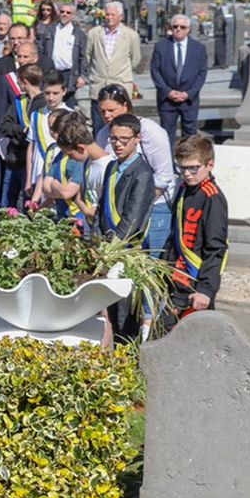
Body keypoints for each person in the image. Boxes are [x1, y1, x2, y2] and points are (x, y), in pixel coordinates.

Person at [95, 84, 174, 254]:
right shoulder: (103, 135)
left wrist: (138, 202)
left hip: (152, 207)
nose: (107, 116)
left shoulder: (150, 131)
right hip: (116, 205)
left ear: (126, 106)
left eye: (111, 110)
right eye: (102, 111)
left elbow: (163, 175)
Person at [161, 135, 229, 330]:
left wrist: (206, 290)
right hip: (177, 278)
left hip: (196, 283)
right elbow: (175, 235)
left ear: (210, 165)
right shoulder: (184, 190)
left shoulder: (212, 198)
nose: (187, 174)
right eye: (182, 168)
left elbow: (216, 248)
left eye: (193, 168)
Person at [98, 113, 155, 341]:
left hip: (127, 253)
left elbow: (132, 220)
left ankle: (129, 366)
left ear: (137, 138)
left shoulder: (142, 173)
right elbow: (101, 208)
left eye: (124, 139)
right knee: (109, 313)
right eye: (113, 139)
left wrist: (111, 249)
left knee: (125, 318)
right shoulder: (111, 167)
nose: (118, 144)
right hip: (107, 250)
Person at [149, 13, 208, 150]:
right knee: (166, 134)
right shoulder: (161, 46)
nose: (178, 29)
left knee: (190, 135)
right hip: (167, 99)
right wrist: (167, 91)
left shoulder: (198, 48)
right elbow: (155, 70)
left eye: (183, 27)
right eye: (175, 26)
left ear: (189, 29)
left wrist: (189, 93)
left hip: (189, 100)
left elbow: (202, 73)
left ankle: (188, 162)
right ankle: (168, 165)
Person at [85, 1, 141, 134]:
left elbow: (135, 59)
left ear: (120, 17)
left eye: (113, 15)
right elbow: (88, 57)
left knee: (122, 126)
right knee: (99, 128)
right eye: (107, 14)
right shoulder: (94, 33)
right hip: (99, 86)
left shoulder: (131, 35)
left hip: (120, 84)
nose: (109, 17)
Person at [54, 111, 112, 231]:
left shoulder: (108, 166)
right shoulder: (86, 162)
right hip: (89, 226)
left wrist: (95, 213)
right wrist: (86, 210)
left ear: (81, 148)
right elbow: (79, 196)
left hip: (103, 228)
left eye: (70, 155)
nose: (70, 159)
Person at [0, 64, 45, 208]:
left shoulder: (43, 104)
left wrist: (22, 133)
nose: (18, 84)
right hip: (13, 159)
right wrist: (22, 131)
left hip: (30, 162)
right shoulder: (19, 101)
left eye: (18, 81)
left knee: (28, 205)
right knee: (6, 206)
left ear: (24, 81)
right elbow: (4, 126)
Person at [25, 69, 70, 203]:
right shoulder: (36, 115)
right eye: (47, 93)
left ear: (64, 91)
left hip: (60, 177)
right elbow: (31, 147)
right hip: (38, 173)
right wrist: (28, 178)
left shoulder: (70, 115)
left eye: (55, 93)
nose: (51, 97)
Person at [41, 1, 86, 107]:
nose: (64, 14)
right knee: (50, 103)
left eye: (68, 12)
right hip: (52, 72)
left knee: (68, 105)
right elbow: (42, 49)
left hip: (69, 74)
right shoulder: (50, 30)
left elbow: (83, 56)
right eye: (62, 12)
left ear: (73, 16)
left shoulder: (78, 34)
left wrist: (82, 76)